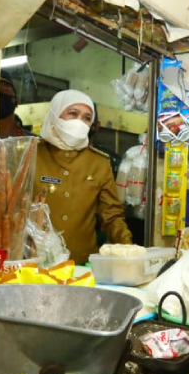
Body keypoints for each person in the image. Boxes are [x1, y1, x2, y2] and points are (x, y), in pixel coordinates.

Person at [33, 90, 132, 263]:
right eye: (73, 113)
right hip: (32, 260)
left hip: (79, 263)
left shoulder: (98, 163)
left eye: (87, 118)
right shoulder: (30, 155)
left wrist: (129, 248)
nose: (80, 122)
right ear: (55, 114)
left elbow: (112, 215)